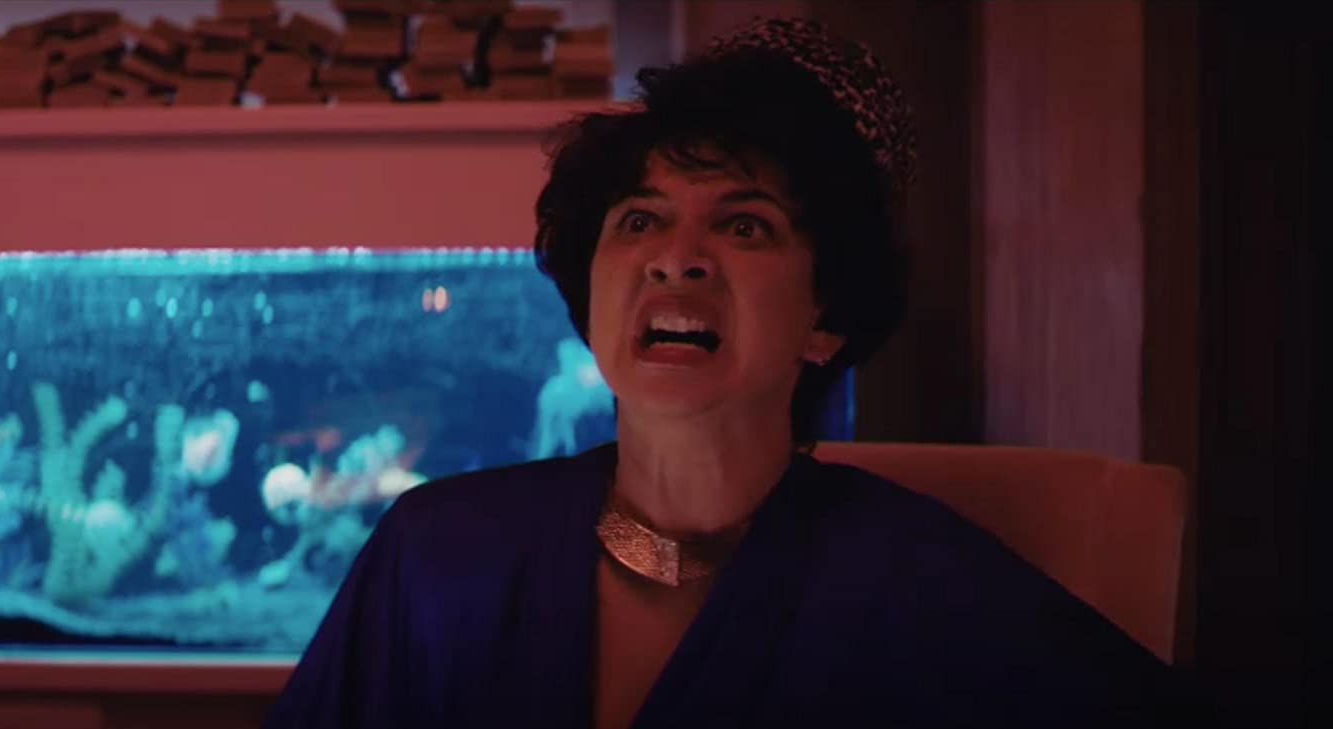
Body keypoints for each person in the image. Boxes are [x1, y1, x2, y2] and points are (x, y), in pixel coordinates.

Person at [265, 18, 1188, 728]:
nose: (676, 258)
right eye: (639, 220)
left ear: (826, 316)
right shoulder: (435, 557)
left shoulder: (933, 592)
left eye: (744, 224)